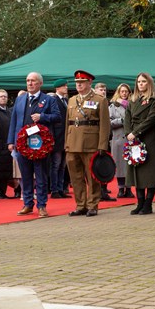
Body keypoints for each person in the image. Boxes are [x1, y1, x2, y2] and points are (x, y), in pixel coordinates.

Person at [7, 72, 61, 217]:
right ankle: (28, 204)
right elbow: (14, 120)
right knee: (25, 175)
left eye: (33, 81)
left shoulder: (49, 100)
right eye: (28, 81)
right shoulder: (20, 99)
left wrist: (42, 117)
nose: (30, 83)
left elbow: (57, 117)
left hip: (40, 145)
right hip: (22, 144)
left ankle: (42, 205)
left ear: (40, 83)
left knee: (41, 175)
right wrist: (11, 141)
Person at [65, 70, 111, 217]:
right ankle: (80, 205)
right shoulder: (72, 100)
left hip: (91, 142)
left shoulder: (99, 99)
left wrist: (102, 145)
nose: (78, 85)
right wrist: (66, 142)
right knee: (75, 176)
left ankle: (92, 205)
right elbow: (68, 123)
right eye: (77, 82)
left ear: (89, 83)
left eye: (82, 82)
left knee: (91, 176)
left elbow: (105, 124)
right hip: (72, 143)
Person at [125, 73, 155, 215]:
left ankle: (148, 203)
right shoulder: (133, 99)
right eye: (139, 82)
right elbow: (127, 117)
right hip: (133, 139)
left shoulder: (154, 100)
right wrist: (128, 133)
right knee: (137, 171)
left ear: (149, 83)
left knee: (150, 172)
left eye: (143, 81)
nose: (140, 84)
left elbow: (151, 119)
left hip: (148, 138)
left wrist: (135, 132)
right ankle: (140, 202)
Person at [110, 83, 135, 198]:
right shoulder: (112, 106)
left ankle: (128, 188)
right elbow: (109, 122)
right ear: (118, 92)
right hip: (118, 138)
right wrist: (122, 120)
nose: (124, 93)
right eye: (122, 91)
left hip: (130, 138)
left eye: (126, 91)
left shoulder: (133, 105)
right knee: (119, 164)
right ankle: (121, 188)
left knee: (129, 164)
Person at [93, 82, 115, 202]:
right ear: (95, 90)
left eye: (104, 89)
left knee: (106, 165)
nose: (103, 91)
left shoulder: (107, 103)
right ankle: (99, 192)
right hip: (97, 139)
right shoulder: (93, 103)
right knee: (97, 166)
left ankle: (104, 190)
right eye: (101, 89)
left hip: (107, 139)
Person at [49, 79, 69, 199]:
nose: (66, 88)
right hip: (57, 136)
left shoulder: (65, 100)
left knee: (62, 165)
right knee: (55, 164)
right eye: (64, 86)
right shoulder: (53, 100)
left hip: (65, 137)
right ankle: (54, 189)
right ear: (57, 88)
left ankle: (60, 188)